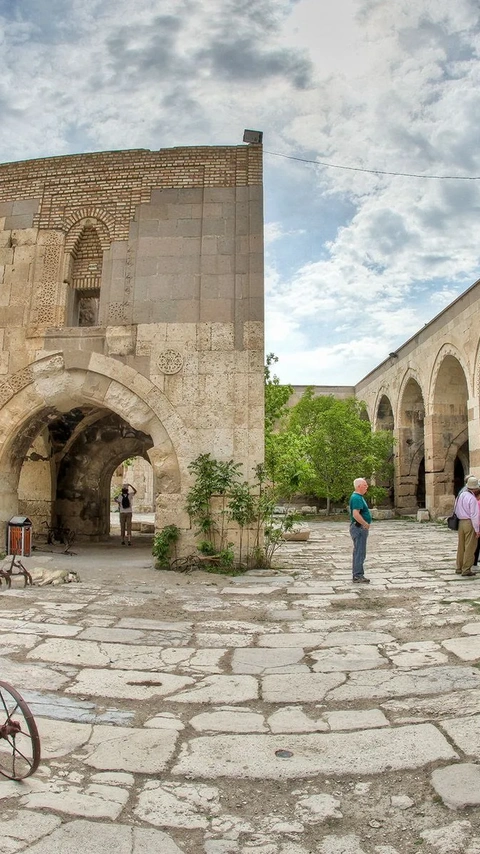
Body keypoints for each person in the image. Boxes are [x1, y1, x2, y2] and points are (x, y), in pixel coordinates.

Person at [455, 475, 480, 576]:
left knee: (461, 546)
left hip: (461, 522)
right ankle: (466, 569)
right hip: (469, 523)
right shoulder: (472, 499)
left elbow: (455, 509)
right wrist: (477, 529)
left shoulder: (461, 495)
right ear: (475, 488)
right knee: (470, 547)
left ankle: (459, 567)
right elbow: (474, 515)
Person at [349, 477, 372, 584]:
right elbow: (355, 514)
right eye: (365, 485)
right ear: (359, 486)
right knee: (360, 551)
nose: (367, 487)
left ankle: (358, 574)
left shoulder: (358, 497)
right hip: (359, 528)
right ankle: (358, 575)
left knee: (359, 551)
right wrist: (365, 524)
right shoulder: (357, 498)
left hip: (359, 527)